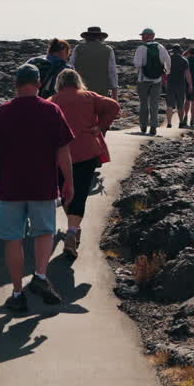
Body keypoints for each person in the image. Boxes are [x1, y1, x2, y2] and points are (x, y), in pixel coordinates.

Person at [0, 63, 75, 312]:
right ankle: (40, 277)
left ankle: (17, 293)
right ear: (38, 83)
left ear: (16, 84)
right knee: (44, 232)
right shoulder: (51, 110)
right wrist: (69, 182)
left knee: (13, 239)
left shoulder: (3, 112)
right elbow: (63, 151)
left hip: (11, 188)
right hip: (43, 185)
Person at [49, 69, 119, 260]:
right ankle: (72, 231)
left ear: (59, 82)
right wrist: (100, 126)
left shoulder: (52, 100)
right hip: (87, 151)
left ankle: (72, 229)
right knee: (80, 193)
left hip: (60, 154)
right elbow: (113, 106)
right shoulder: (89, 96)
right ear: (77, 81)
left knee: (65, 191)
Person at [132, 28, 170, 135]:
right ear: (153, 36)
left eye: (143, 35)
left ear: (146, 36)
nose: (142, 37)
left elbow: (137, 64)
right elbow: (168, 61)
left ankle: (143, 125)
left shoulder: (141, 48)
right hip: (157, 80)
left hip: (143, 79)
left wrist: (142, 70)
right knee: (154, 103)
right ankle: (153, 125)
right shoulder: (161, 47)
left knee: (144, 103)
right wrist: (165, 73)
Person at [69, 26, 118, 100]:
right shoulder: (108, 50)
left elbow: (70, 68)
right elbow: (112, 73)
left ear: (86, 37)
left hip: (81, 89)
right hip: (101, 91)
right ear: (101, 37)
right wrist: (115, 96)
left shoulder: (78, 48)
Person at [164, 44, 192, 129]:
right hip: (180, 85)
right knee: (180, 105)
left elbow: (164, 72)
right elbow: (187, 74)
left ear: (173, 51)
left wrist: (164, 83)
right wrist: (190, 84)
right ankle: (181, 122)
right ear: (180, 51)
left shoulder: (168, 60)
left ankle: (169, 123)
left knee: (169, 105)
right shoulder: (184, 61)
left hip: (170, 84)